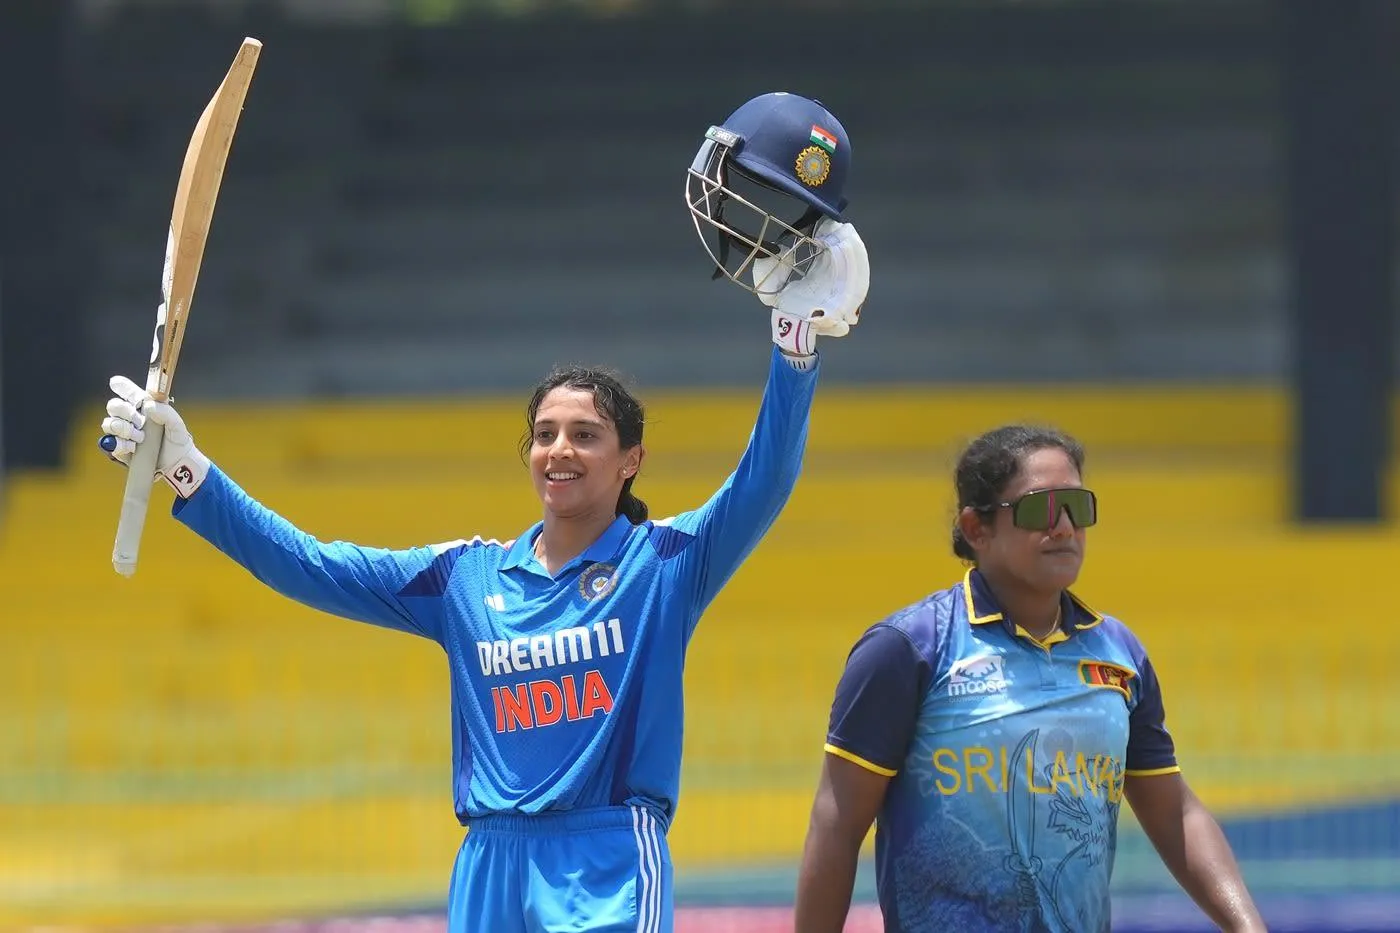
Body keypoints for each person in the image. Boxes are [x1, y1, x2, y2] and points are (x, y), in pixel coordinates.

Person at [97, 92, 868, 933]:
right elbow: (310, 563)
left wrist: (794, 349)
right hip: (488, 868)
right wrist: (186, 470)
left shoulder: (667, 563)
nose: (559, 450)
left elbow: (764, 480)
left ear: (630, 460)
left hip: (607, 860)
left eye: (585, 434)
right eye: (544, 434)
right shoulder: (466, 577)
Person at [794, 425, 1265, 933]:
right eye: (1040, 509)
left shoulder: (1120, 654)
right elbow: (837, 826)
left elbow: (1175, 813)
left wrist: (1247, 927)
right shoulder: (909, 648)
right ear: (976, 528)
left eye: (1077, 508)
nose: (1064, 527)